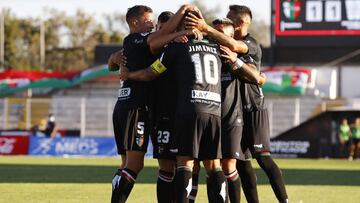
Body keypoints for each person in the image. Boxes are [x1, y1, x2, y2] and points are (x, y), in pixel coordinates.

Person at [120, 10, 228, 203]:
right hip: (214, 110)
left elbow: (150, 73)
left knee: (184, 164)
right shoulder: (216, 46)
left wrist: (129, 75)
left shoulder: (176, 48)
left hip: (189, 110)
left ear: (182, 27)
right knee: (214, 166)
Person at [109, 5, 199, 203]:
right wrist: (184, 23)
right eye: (149, 21)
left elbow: (112, 62)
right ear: (135, 23)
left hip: (127, 105)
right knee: (134, 165)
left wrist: (112, 59)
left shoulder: (132, 43)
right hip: (136, 107)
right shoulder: (137, 39)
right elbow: (161, 36)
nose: (152, 25)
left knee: (127, 165)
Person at [226, 5, 289, 203]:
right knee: (242, 163)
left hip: (253, 107)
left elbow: (238, 50)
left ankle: (284, 200)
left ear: (241, 22)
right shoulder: (226, 45)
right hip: (235, 110)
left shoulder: (250, 43)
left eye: (230, 18)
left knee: (262, 157)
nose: (226, 20)